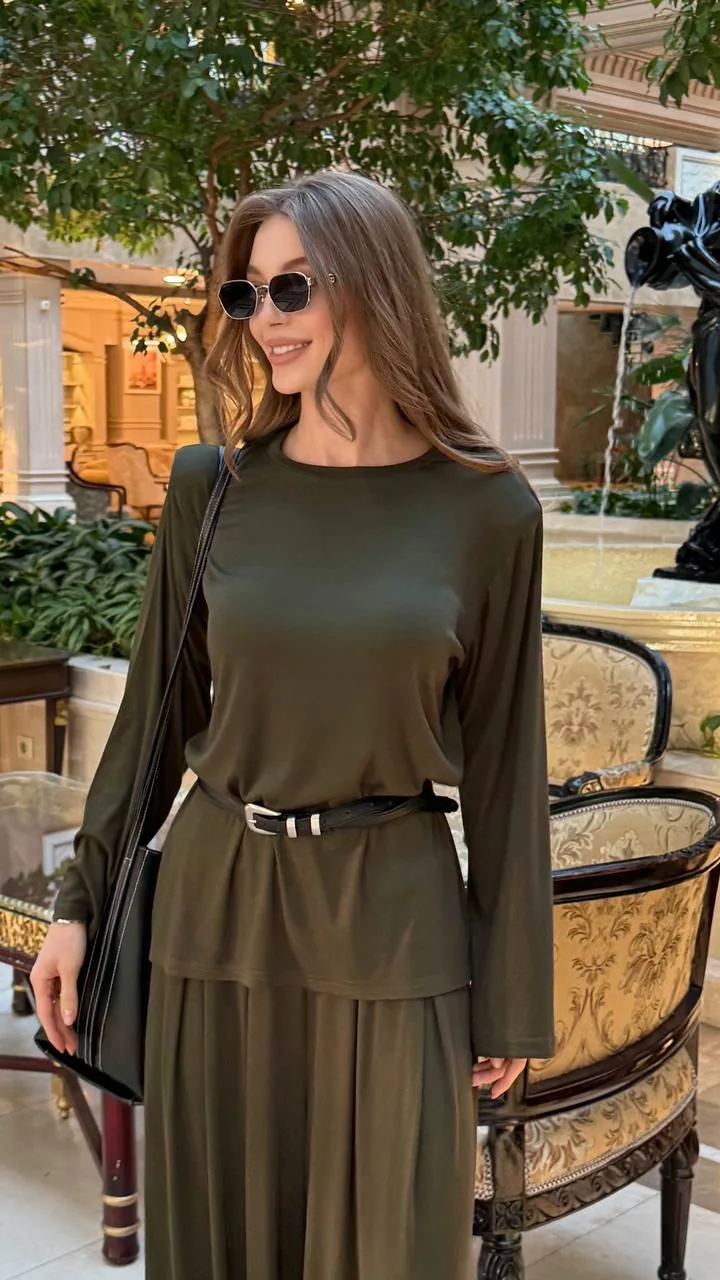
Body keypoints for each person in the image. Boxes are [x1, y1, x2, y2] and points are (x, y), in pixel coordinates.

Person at [31, 169, 554, 1280]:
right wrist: (80, 904)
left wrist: (513, 994)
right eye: (246, 292)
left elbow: (509, 767)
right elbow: (153, 720)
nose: (263, 318)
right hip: (215, 910)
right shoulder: (213, 487)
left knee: (391, 1247)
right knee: (219, 1242)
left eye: (292, 288)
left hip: (393, 919)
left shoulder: (489, 508)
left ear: (373, 283)